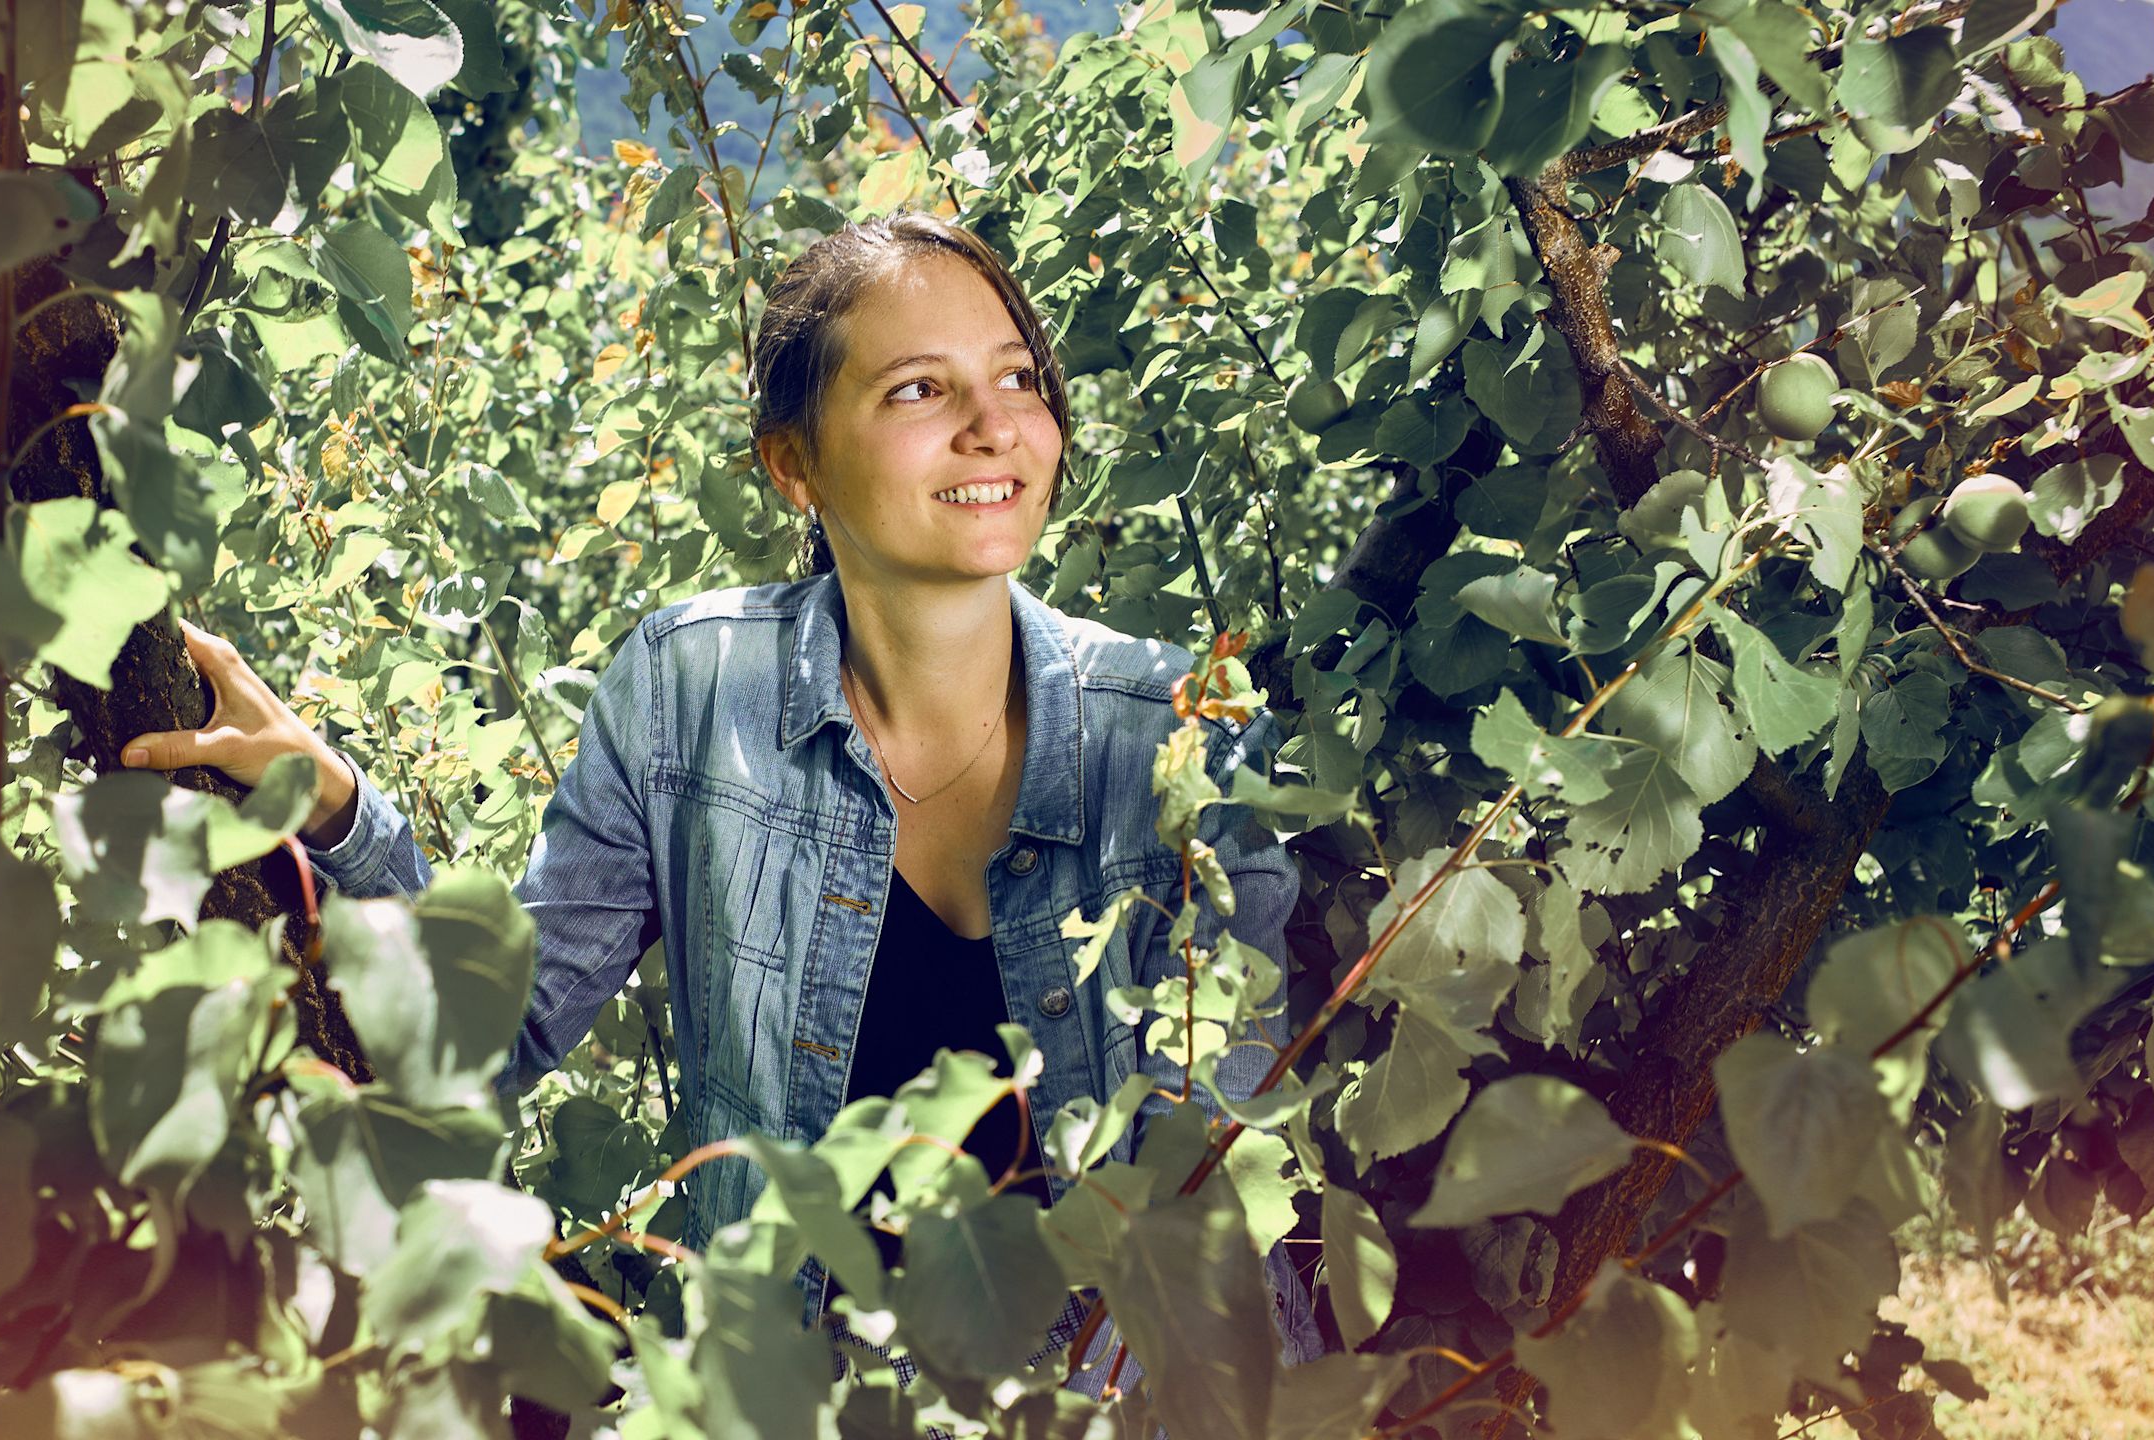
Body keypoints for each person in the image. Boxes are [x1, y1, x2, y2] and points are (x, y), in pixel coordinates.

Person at [119, 210, 1324, 1398]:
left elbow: (1220, 1171)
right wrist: (337, 813)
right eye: (918, 389)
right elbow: (498, 1033)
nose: (992, 426)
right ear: (793, 465)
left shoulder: (1182, 736)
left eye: (1017, 379)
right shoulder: (688, 693)